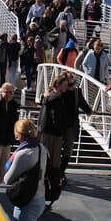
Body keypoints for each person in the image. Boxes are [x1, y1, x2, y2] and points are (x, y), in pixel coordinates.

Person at [3, 119, 48, 221]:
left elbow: (7, 179)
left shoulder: (23, 154)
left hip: (27, 202)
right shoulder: (41, 147)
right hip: (40, 199)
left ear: (20, 134)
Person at [38, 74, 69, 203]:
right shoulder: (56, 98)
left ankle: (43, 182)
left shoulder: (49, 96)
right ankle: (50, 185)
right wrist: (61, 132)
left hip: (45, 131)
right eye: (65, 85)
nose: (67, 87)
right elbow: (56, 117)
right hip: (53, 134)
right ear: (59, 85)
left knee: (44, 158)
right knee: (53, 161)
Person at [60, 73, 92, 185]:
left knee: (68, 151)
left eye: (74, 82)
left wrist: (89, 111)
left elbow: (82, 103)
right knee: (56, 151)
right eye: (70, 83)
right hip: (59, 126)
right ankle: (56, 174)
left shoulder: (76, 92)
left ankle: (61, 172)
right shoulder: (60, 91)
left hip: (71, 126)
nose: (73, 85)